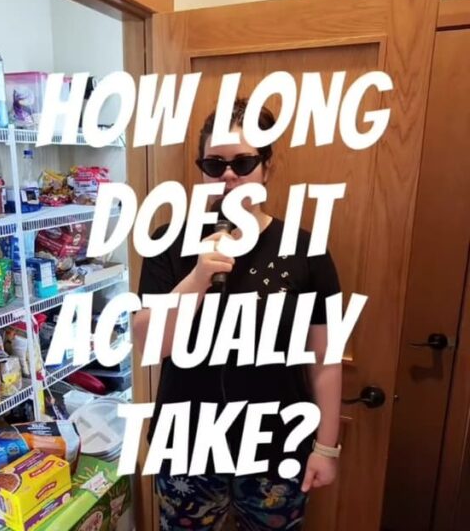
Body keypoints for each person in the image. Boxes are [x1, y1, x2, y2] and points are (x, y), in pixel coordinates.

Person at [134, 98, 342, 530]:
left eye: (244, 162)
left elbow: (325, 358)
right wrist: (195, 280)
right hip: (186, 446)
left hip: (277, 448)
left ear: (267, 166)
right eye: (214, 165)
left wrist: (326, 447)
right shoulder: (168, 241)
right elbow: (149, 344)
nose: (229, 177)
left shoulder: (307, 249)